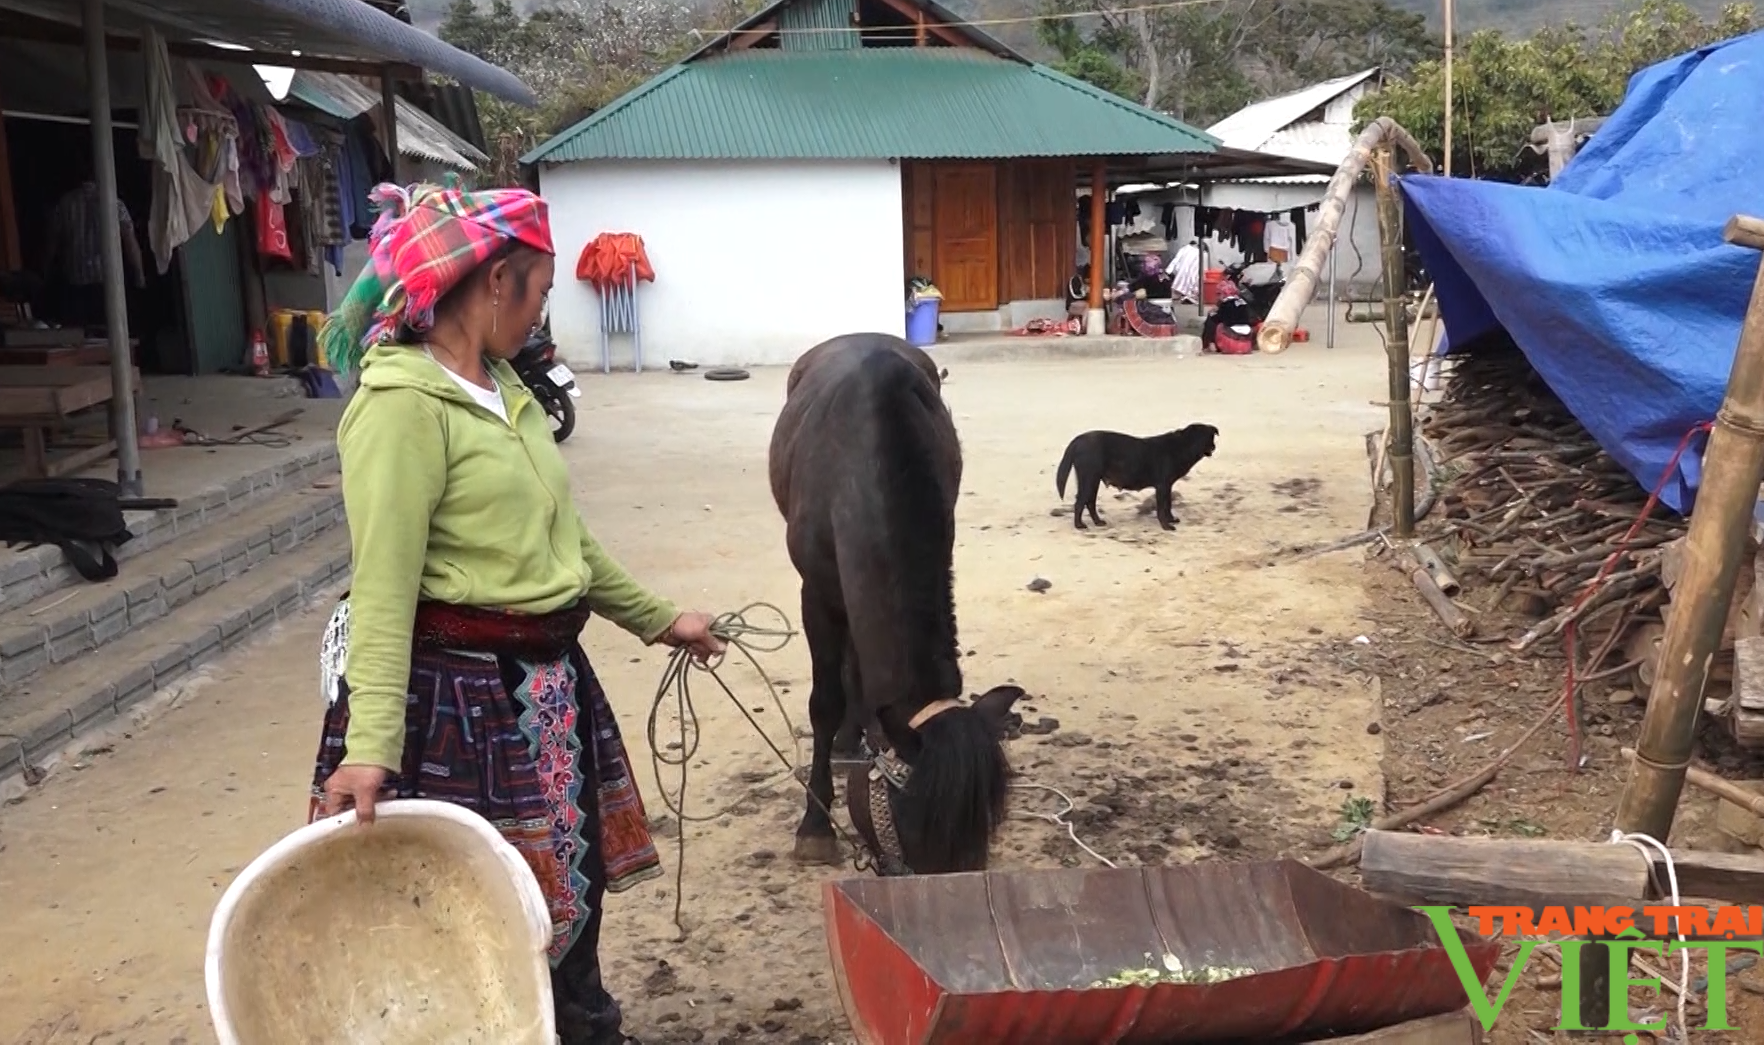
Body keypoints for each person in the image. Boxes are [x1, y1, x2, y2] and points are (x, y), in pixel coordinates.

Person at [310, 181, 725, 1045]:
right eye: (538, 290)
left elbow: (566, 541)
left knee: (570, 891)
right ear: (496, 281)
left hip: (550, 688)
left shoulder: (506, 388)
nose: (540, 314)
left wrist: (659, 617)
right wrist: (372, 749)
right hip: (456, 707)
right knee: (484, 921)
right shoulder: (398, 412)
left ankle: (583, 1028)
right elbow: (383, 590)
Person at [43, 172, 145, 329]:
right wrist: (140, 276)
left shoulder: (64, 204)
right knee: (112, 335)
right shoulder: (115, 204)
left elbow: (51, 246)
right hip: (107, 285)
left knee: (79, 339)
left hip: (76, 286)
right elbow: (130, 243)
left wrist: (45, 275)